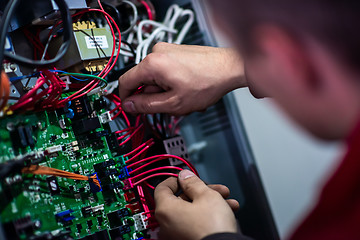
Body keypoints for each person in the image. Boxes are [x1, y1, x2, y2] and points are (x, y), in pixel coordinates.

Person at [119, 0, 360, 239]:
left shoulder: (340, 221)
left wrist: (212, 236)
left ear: (287, 59)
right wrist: (236, 65)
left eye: (247, 51)